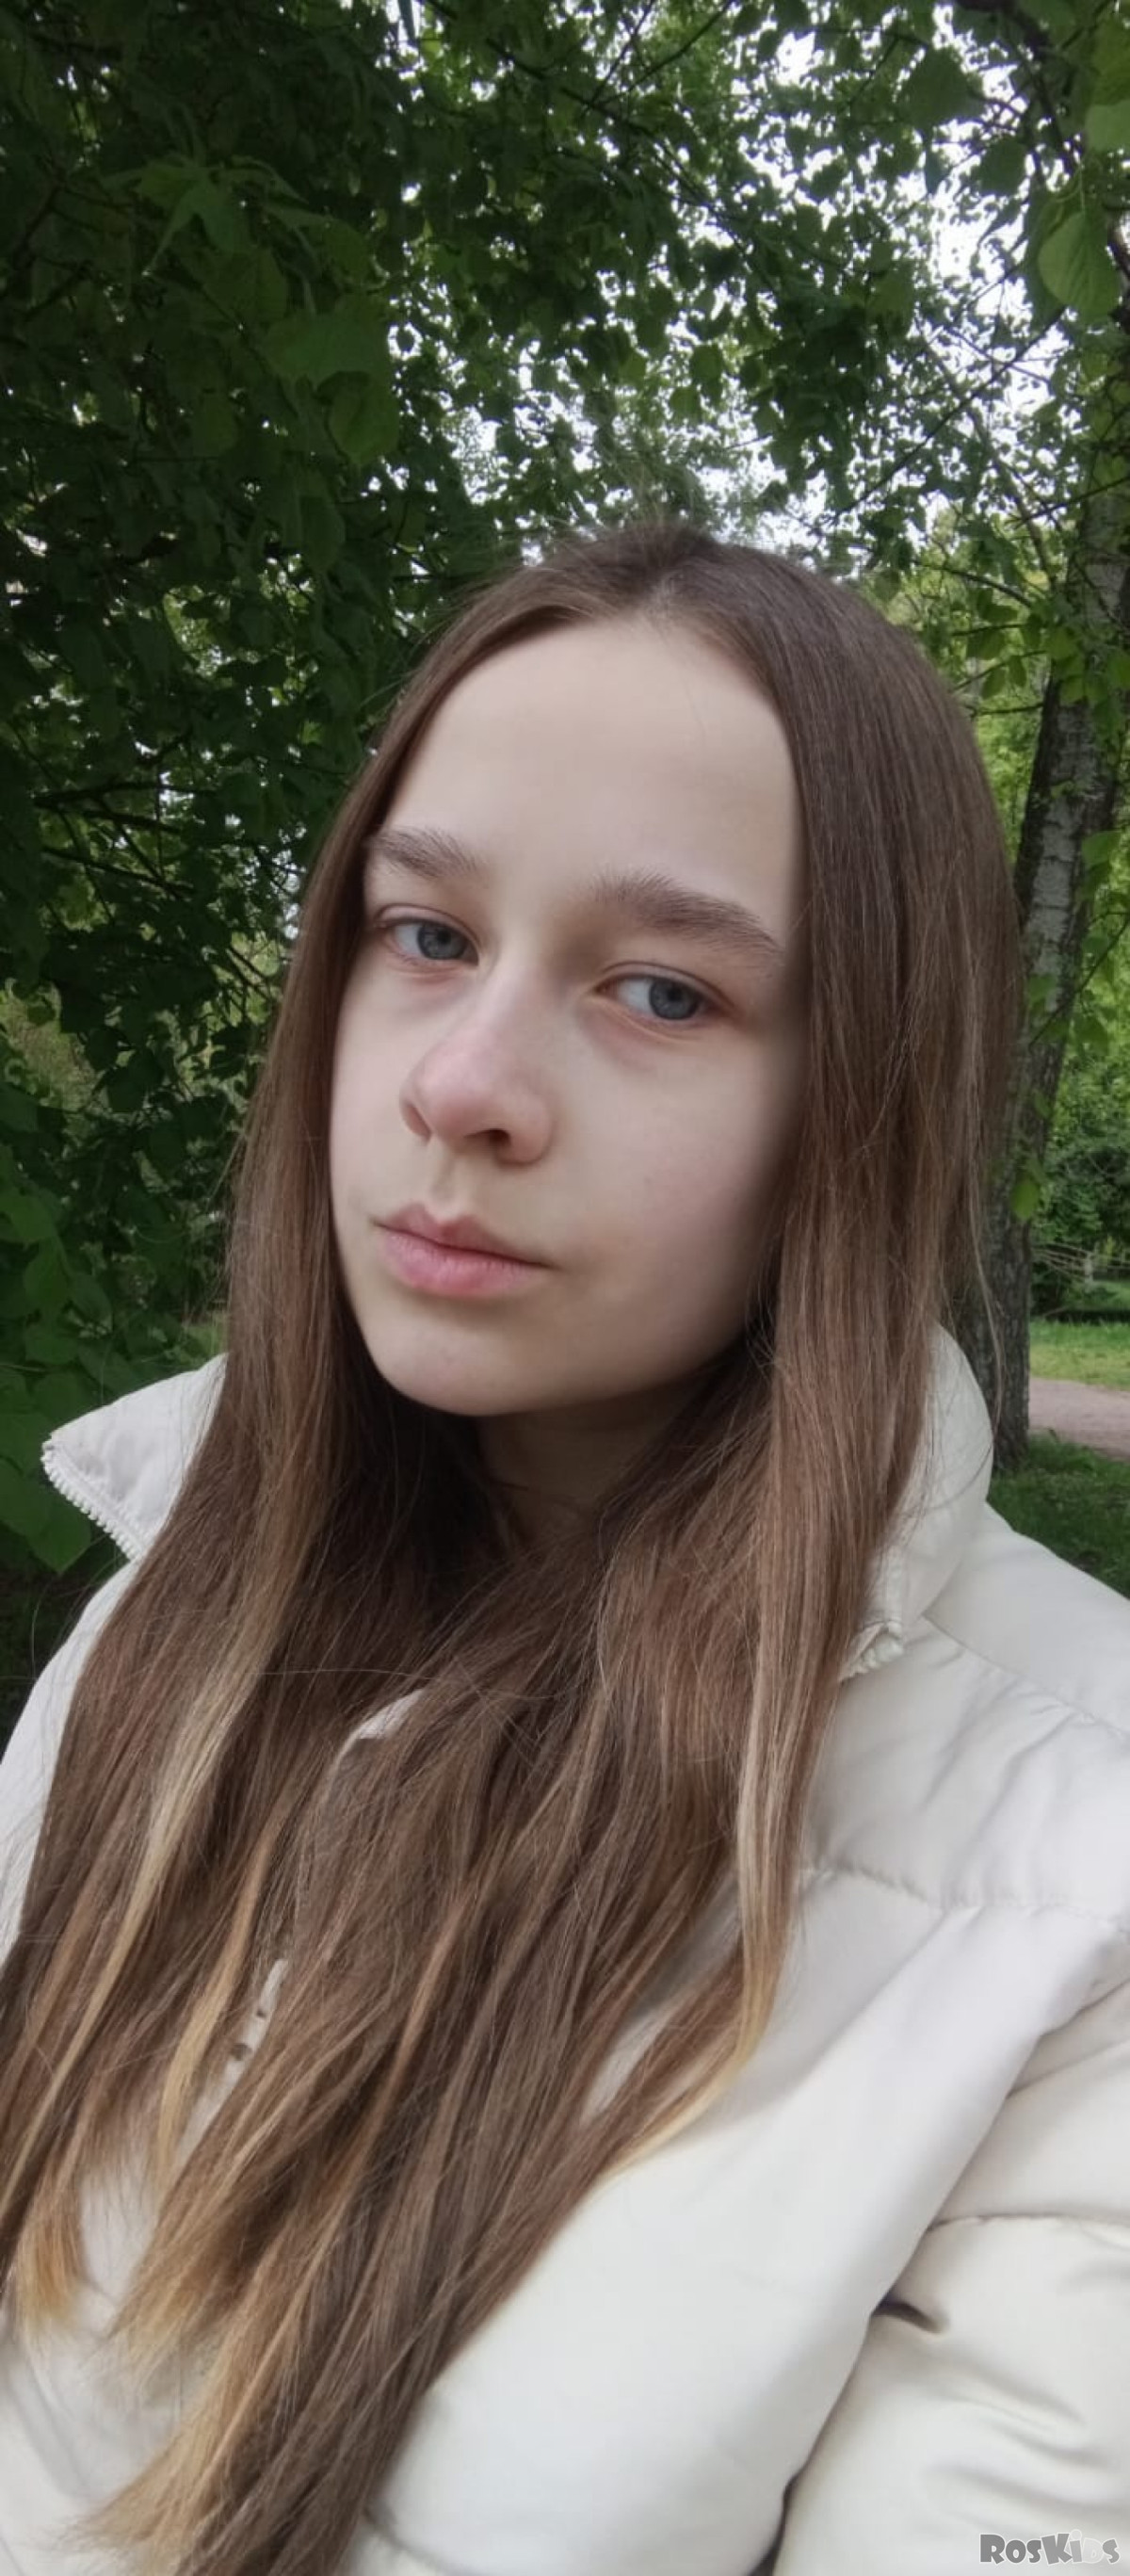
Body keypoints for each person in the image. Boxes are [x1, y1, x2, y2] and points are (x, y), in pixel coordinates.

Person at [0, 515, 1127, 2576]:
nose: (464, 1087)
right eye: (426, 934)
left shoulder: (1082, 1876)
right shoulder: (174, 1587)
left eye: (664, 990)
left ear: (864, 1103)